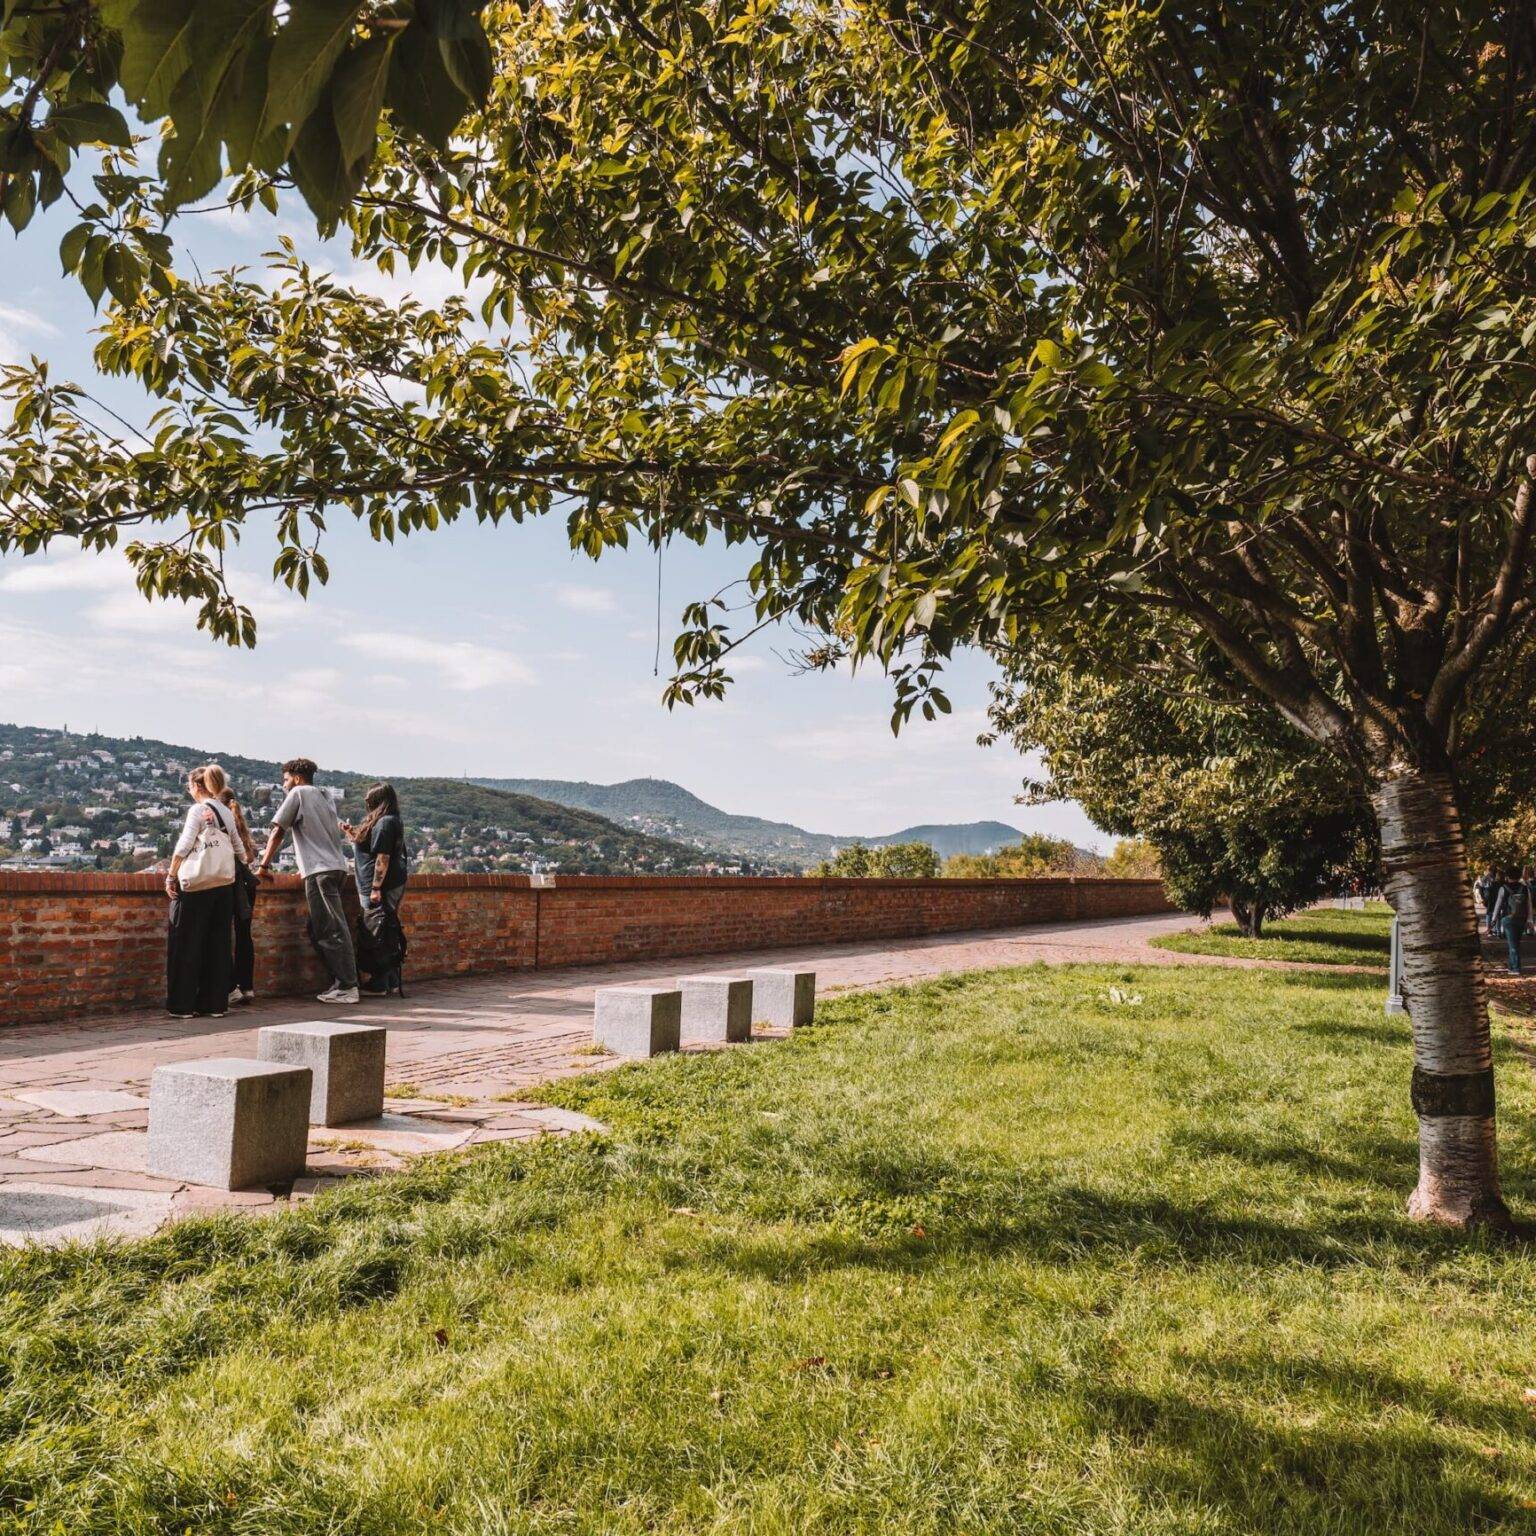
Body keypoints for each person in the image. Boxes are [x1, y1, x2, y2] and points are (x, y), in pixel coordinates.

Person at [254, 757, 360, 1004]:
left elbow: (278, 830)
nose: (284, 784)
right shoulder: (325, 795)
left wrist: (264, 864)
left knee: (331, 928)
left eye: (286, 779)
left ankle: (347, 986)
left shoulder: (298, 793)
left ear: (297, 778)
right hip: (336, 868)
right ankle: (340, 981)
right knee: (318, 927)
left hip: (319, 871)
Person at [165, 763, 240, 1018]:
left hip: (197, 885)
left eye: (189, 785)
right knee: (218, 945)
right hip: (223, 886)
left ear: (197, 786)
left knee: (186, 943)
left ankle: (183, 1005)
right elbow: (240, 850)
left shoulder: (198, 809)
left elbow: (184, 845)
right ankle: (215, 1004)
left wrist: (171, 875)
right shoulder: (226, 811)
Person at [343, 781, 409, 996]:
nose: (365, 802)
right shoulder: (389, 820)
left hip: (380, 885)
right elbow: (372, 849)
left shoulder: (384, 823)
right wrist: (351, 833)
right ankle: (390, 980)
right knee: (385, 928)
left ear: (377, 802)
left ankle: (380, 982)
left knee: (376, 931)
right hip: (387, 883)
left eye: (369, 799)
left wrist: (375, 888)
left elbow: (382, 857)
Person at [221, 783, 259, 1006]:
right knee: (244, 936)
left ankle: (230, 987)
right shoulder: (240, 822)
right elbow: (250, 856)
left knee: (222, 936)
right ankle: (247, 986)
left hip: (230, 883)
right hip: (247, 885)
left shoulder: (222, 820)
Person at [1490, 868, 1530, 975]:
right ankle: (1512, 966)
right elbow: (1528, 905)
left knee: (1512, 944)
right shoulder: (1524, 888)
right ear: (1518, 876)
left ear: (1508, 876)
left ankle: (1516, 968)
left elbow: (1498, 905)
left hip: (1508, 919)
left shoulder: (1503, 888)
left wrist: (1493, 919)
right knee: (1515, 943)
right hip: (1522, 918)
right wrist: (1530, 920)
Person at [1476, 867, 1499, 935]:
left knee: (1489, 913)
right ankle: (1493, 929)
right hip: (1493, 897)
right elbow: (1481, 887)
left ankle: (1490, 929)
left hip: (1488, 897)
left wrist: (1482, 898)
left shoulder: (1485, 878)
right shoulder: (1494, 878)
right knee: (1493, 912)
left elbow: (1480, 888)